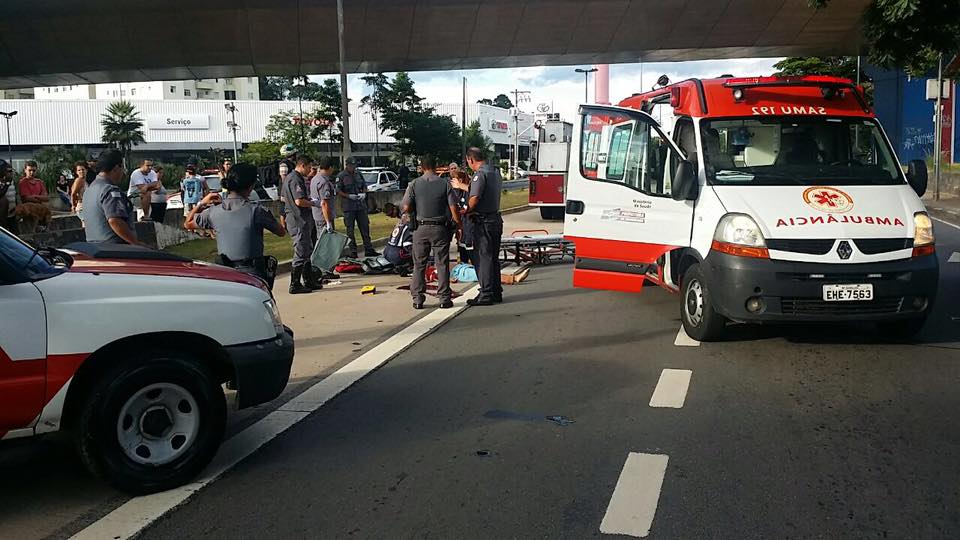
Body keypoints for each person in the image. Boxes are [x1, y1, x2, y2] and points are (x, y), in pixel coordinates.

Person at [185, 163, 286, 288]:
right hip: (252, 274)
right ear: (251, 185)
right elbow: (281, 232)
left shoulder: (213, 212)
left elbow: (188, 223)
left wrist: (201, 203)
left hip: (224, 274)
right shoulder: (256, 211)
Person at [402, 155, 461, 310]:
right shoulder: (445, 184)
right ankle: (444, 298)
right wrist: (458, 224)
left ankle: (418, 299)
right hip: (440, 228)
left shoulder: (414, 184)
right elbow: (454, 207)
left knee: (419, 264)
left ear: (421, 167)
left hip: (420, 229)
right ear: (436, 167)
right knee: (441, 263)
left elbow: (406, 207)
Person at [464, 146, 504, 306]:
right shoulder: (495, 172)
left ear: (471, 159)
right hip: (495, 219)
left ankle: (486, 293)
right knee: (494, 258)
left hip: (483, 222)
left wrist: (467, 209)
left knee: (484, 258)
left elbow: (474, 198)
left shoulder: (479, 175)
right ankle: (496, 291)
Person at [82, 149, 142, 245]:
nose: (123, 172)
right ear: (116, 167)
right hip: (115, 249)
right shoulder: (110, 191)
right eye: (123, 167)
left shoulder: (89, 190)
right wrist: (136, 243)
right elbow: (115, 220)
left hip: (94, 247)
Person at [281, 155, 321, 294]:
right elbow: (299, 201)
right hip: (298, 220)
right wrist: (312, 203)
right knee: (301, 251)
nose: (310, 170)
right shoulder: (295, 178)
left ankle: (308, 279)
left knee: (307, 249)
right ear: (302, 165)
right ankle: (295, 283)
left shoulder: (290, 178)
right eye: (309, 167)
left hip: (301, 219)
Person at [337, 156, 378, 258]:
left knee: (365, 228)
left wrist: (364, 193)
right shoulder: (341, 176)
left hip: (360, 206)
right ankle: (353, 251)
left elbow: (364, 186)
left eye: (354, 165)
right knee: (350, 230)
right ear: (347, 165)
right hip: (349, 207)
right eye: (351, 165)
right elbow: (338, 191)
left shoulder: (358, 174)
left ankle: (368, 249)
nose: (353, 167)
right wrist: (348, 196)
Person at [450, 170, 474, 264]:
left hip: (469, 222)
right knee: (461, 244)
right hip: (461, 222)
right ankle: (463, 265)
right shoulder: (456, 191)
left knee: (469, 245)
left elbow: (468, 205)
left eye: (454, 179)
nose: (452, 182)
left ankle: (474, 266)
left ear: (460, 180)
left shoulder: (467, 190)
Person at [382, 202, 413, 273]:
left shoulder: (403, 213)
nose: (391, 217)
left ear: (395, 209)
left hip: (387, 253)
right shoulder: (407, 225)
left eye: (391, 214)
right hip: (397, 255)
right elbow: (408, 245)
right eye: (389, 215)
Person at [0, 160, 15, 230]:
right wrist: (7, 183)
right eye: (6, 170)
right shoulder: (7, 182)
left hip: (12, 213)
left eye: (10, 171)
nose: (8, 173)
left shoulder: (11, 181)